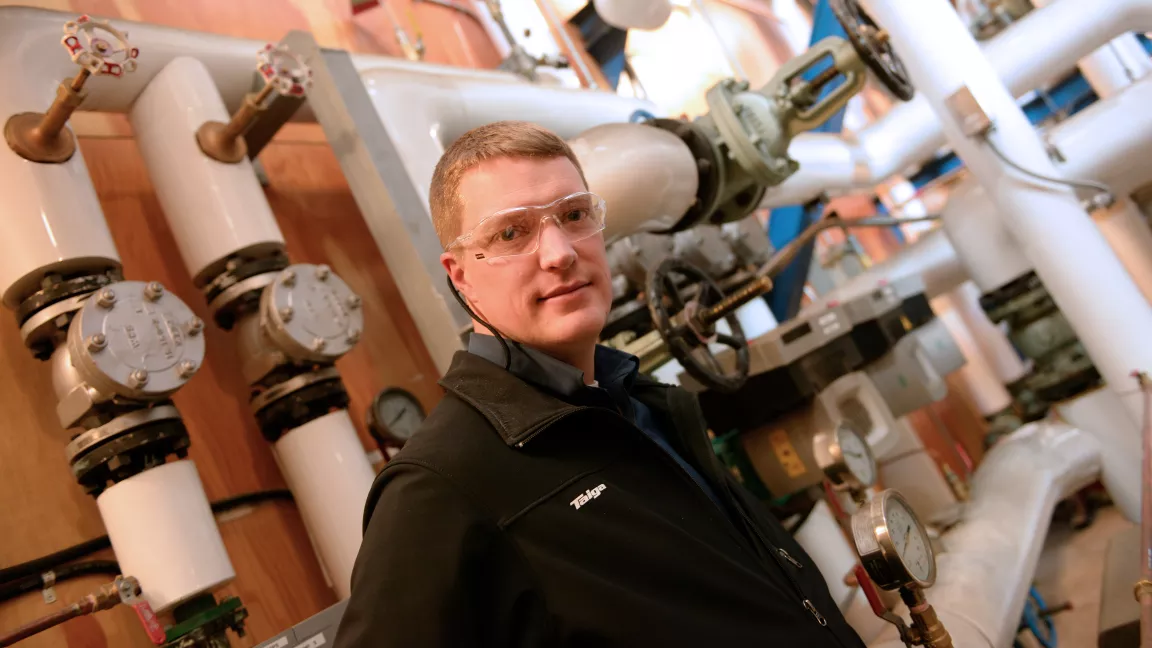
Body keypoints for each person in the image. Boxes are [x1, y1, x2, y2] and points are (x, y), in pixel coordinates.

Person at [333, 120, 866, 647]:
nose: (561, 252)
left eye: (574, 215)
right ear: (462, 275)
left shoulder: (640, 404)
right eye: (512, 232)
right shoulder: (441, 485)